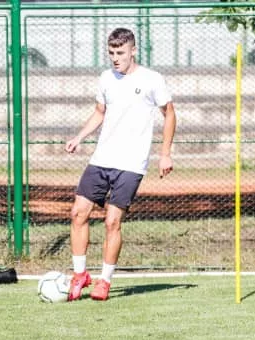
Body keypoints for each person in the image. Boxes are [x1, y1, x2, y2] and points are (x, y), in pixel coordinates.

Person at [64, 27, 176, 301]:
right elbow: (99, 112)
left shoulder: (151, 79)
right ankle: (80, 275)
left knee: (112, 221)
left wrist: (164, 153)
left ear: (133, 51)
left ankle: (104, 280)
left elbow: (170, 114)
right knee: (78, 213)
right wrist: (79, 137)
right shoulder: (106, 78)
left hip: (131, 164)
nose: (115, 58)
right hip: (101, 159)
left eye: (120, 53)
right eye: (111, 53)